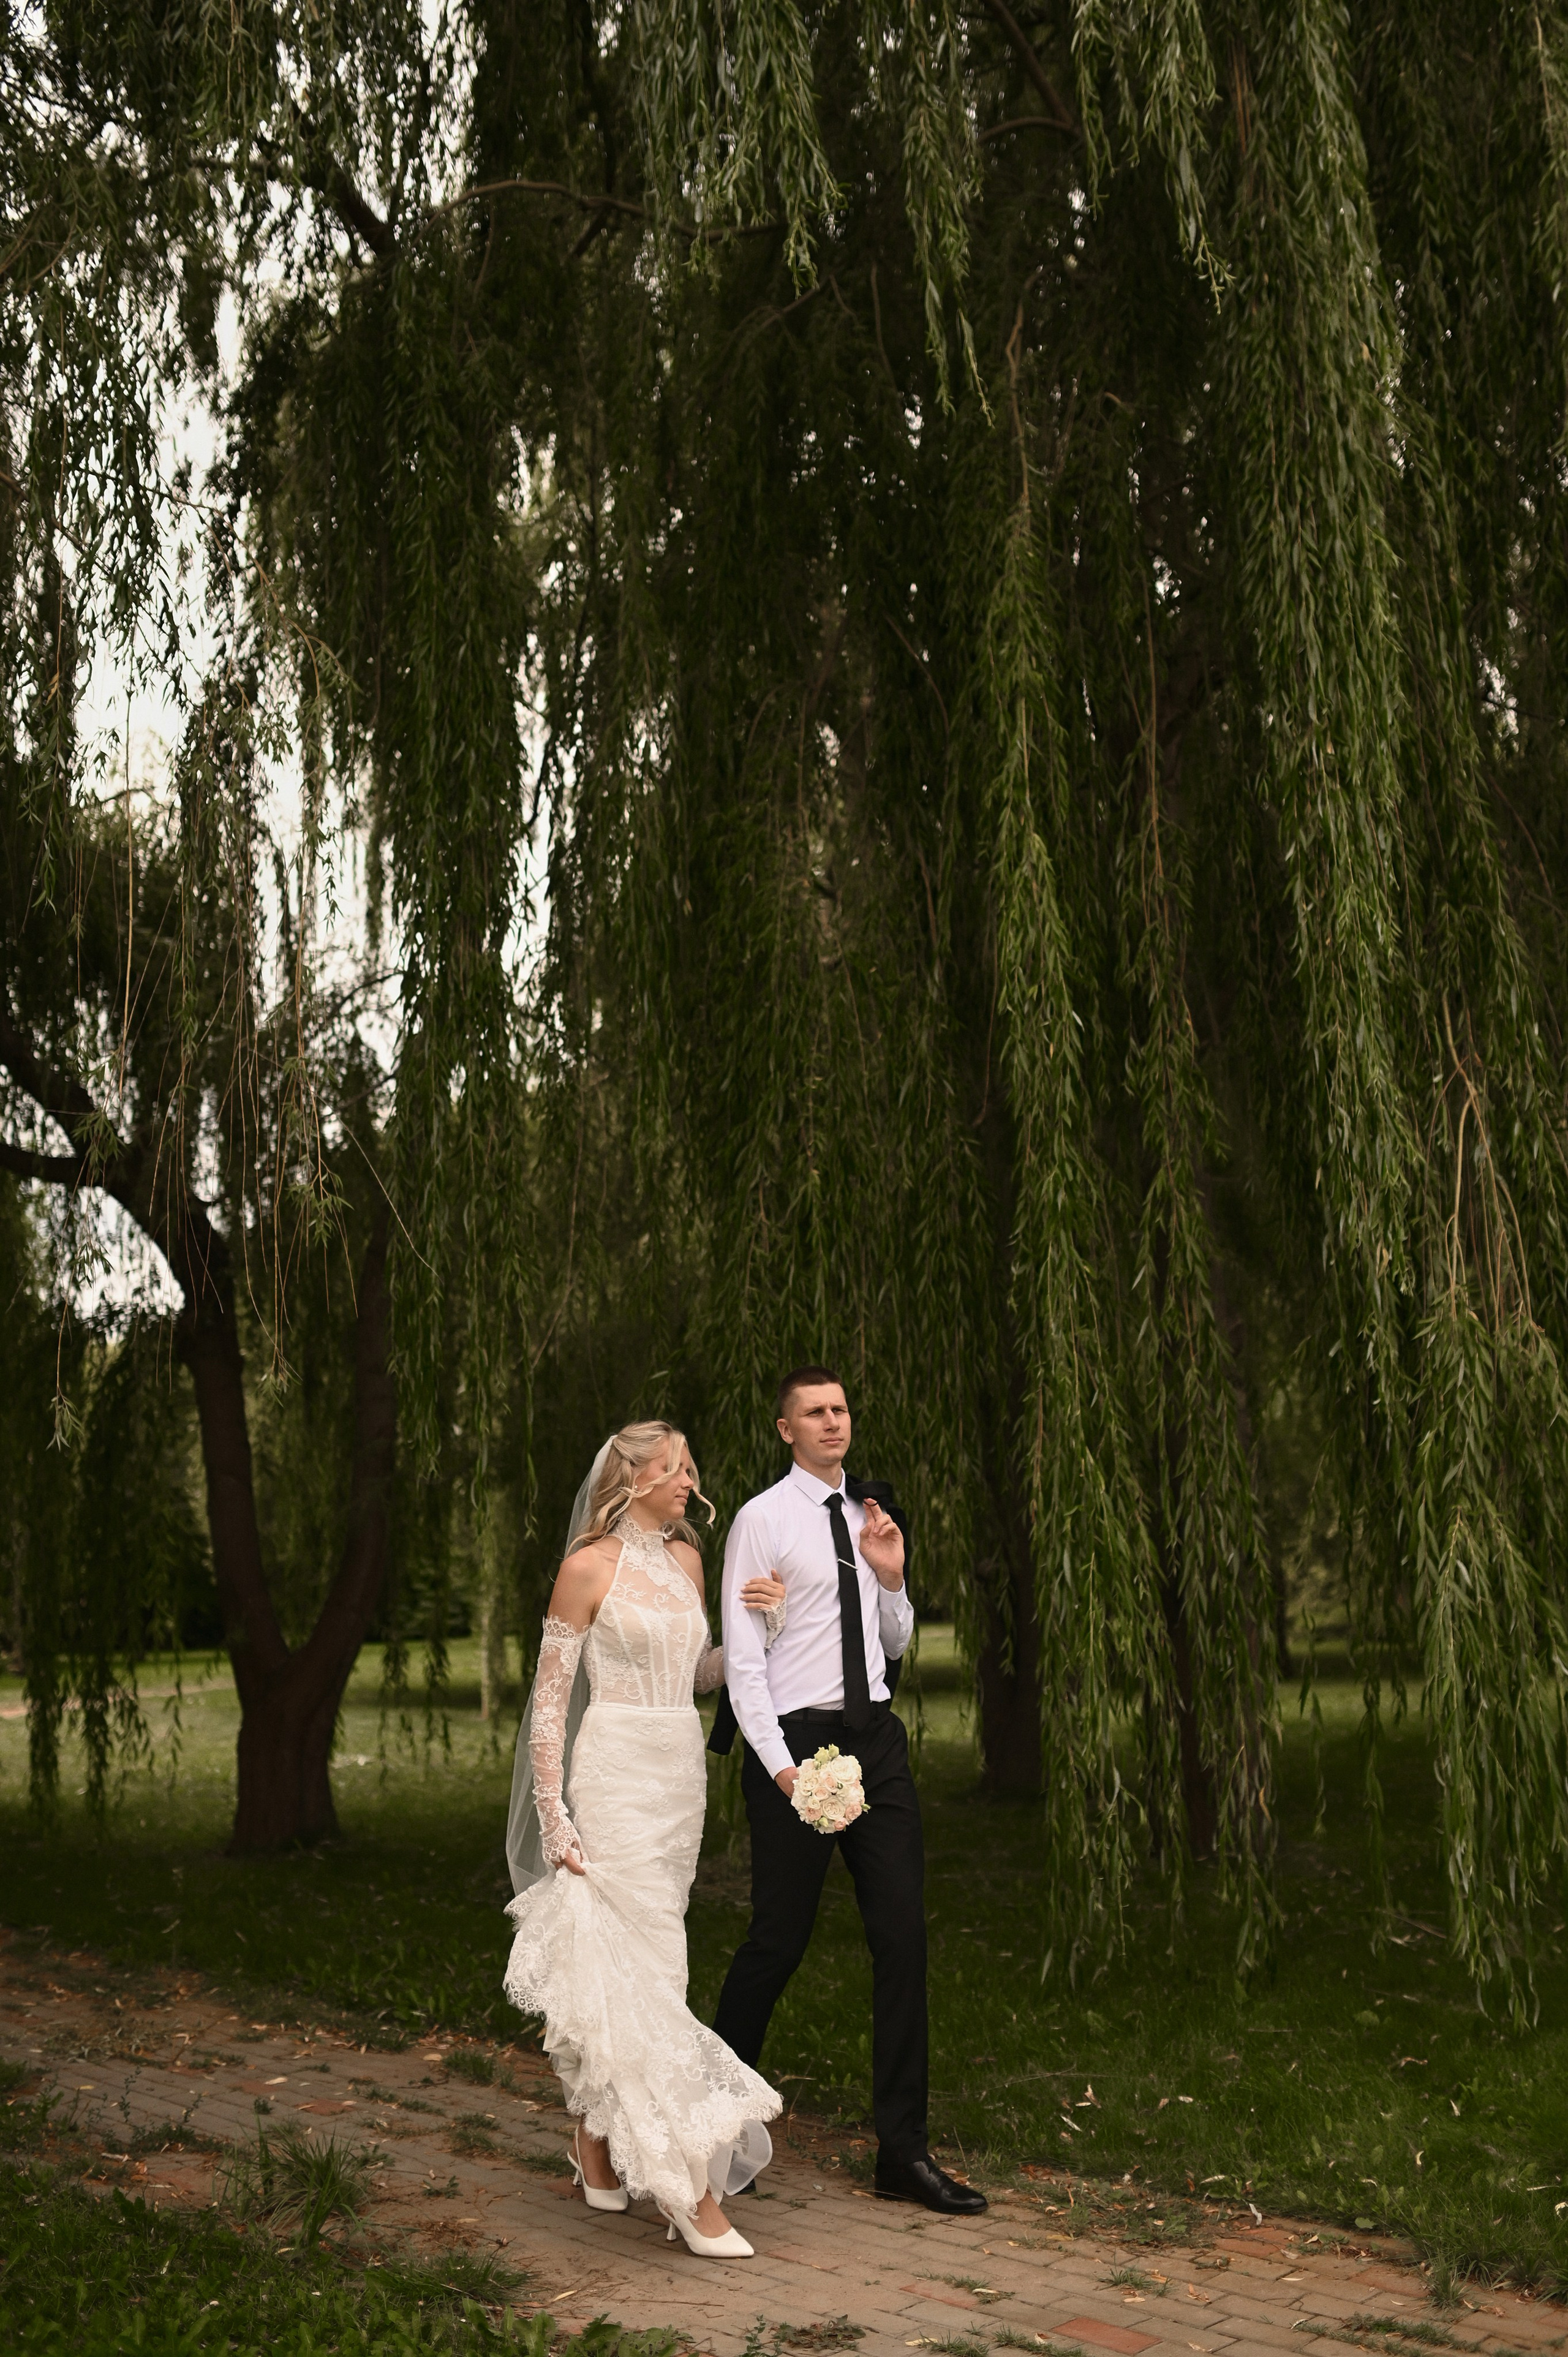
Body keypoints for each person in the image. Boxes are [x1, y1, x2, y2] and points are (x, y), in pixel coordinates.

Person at [502, 1421, 788, 2258]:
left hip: (677, 1773)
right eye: (673, 1468)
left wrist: (754, 1636)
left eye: (691, 1467)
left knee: (657, 1954)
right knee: (649, 1968)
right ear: (630, 1477)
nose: (687, 1480)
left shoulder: (689, 1561)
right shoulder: (587, 1567)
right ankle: (686, 2189)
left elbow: (696, 1672)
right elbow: (551, 1703)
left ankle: (596, 2142)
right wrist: (555, 1816)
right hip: (615, 1771)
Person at [709, 1365, 987, 2216]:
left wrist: (893, 1574)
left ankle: (903, 2153)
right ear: (785, 1428)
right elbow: (745, 1663)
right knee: (778, 1942)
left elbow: (894, 1641)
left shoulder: (870, 1516)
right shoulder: (761, 1521)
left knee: (903, 1937)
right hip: (793, 1742)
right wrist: (781, 1768)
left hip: (877, 1744)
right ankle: (716, 2130)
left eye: (841, 1409)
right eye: (814, 1413)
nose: (833, 1422)